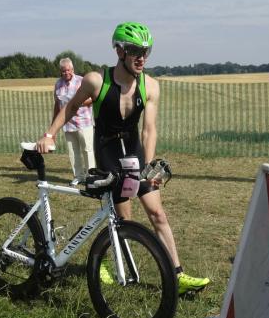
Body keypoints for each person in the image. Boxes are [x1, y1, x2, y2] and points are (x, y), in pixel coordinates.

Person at [38, 22, 210, 295]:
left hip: (133, 152)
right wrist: (50, 135)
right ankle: (108, 260)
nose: (142, 57)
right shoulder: (96, 80)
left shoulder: (150, 86)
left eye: (146, 51)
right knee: (123, 218)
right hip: (107, 152)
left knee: (157, 213)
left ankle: (177, 275)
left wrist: (148, 167)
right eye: (135, 51)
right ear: (120, 51)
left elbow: (149, 129)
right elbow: (71, 107)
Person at [53, 57, 95, 186]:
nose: (66, 73)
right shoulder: (58, 84)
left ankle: (91, 177)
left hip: (84, 122)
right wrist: (53, 125)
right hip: (67, 124)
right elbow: (57, 105)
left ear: (73, 69)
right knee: (73, 152)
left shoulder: (82, 81)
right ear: (60, 71)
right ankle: (78, 176)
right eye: (63, 71)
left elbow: (93, 98)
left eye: (68, 70)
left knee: (87, 150)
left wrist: (77, 103)